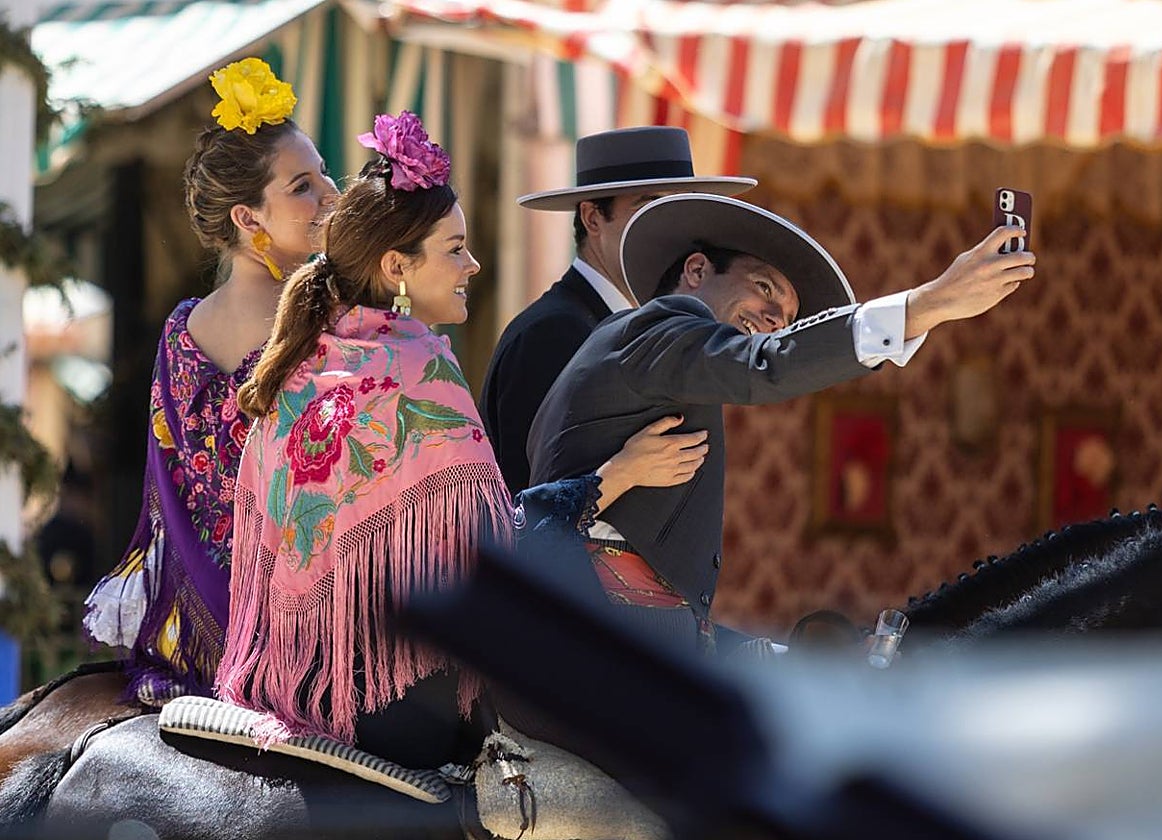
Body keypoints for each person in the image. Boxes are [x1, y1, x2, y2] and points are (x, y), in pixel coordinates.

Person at [215, 112, 708, 769]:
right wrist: (614, 476)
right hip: (397, 703)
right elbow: (491, 549)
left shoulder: (304, 363)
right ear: (396, 266)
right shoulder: (419, 369)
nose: (472, 265)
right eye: (454, 249)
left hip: (290, 684)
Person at [527, 193, 1037, 657]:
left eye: (788, 316)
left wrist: (790, 657)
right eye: (764, 288)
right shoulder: (658, 327)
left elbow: (666, 605)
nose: (774, 317)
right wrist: (929, 304)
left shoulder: (655, 368)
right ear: (698, 270)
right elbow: (766, 366)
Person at [82, 58, 339, 704]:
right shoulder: (324, 324)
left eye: (324, 175)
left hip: (191, 637)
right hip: (300, 637)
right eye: (304, 185)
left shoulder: (179, 331)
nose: (331, 195)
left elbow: (166, 501)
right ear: (248, 218)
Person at [479, 126, 756, 496]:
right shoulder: (552, 332)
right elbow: (526, 504)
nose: (671, 225)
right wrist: (622, 471)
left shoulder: (641, 326)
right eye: (649, 206)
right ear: (593, 219)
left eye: (680, 206)